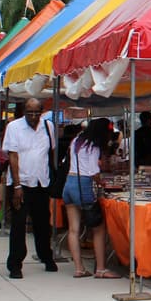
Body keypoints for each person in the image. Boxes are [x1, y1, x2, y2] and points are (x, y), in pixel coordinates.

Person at [2, 99, 59, 279]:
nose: (33, 117)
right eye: (29, 113)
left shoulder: (48, 127)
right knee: (18, 225)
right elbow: (12, 156)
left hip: (41, 181)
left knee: (43, 223)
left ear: (41, 112)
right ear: (24, 112)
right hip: (21, 183)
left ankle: (46, 256)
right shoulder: (14, 127)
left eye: (36, 113)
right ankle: (15, 264)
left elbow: (49, 153)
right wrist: (17, 185)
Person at [63, 118, 115, 279]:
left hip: (69, 183)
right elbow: (93, 171)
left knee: (73, 229)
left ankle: (79, 268)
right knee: (98, 228)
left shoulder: (76, 141)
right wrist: (102, 182)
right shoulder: (93, 146)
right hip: (83, 185)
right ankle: (100, 269)